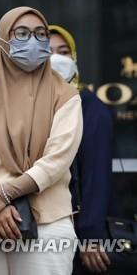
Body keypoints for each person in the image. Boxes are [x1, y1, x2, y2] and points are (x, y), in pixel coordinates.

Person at [0, 6, 83, 275]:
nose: (33, 41)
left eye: (40, 34)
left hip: (47, 220)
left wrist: (3, 195)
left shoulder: (66, 97)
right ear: (3, 41)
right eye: (22, 34)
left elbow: (56, 160)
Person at [49, 25, 113, 274]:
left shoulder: (89, 107)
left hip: (81, 236)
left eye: (63, 52)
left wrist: (91, 235)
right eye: (48, 52)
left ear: (74, 59)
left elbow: (96, 175)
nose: (55, 58)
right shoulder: (37, 106)